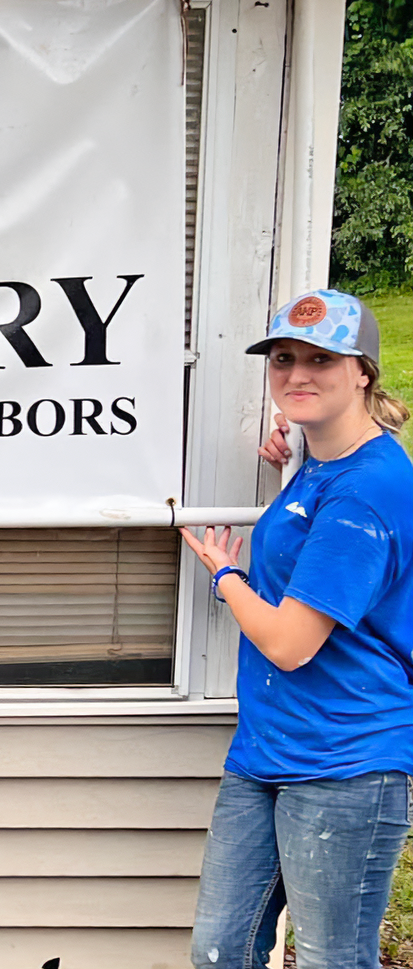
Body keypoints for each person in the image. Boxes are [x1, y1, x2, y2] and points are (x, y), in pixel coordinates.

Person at [180, 288, 412, 969]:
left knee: (330, 958)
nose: (297, 375)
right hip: (266, 753)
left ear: (362, 371)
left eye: (322, 359)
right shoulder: (325, 462)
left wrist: (226, 574)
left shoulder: (369, 490)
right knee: (222, 950)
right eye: (283, 359)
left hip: (347, 761)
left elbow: (288, 642)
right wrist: (293, 453)